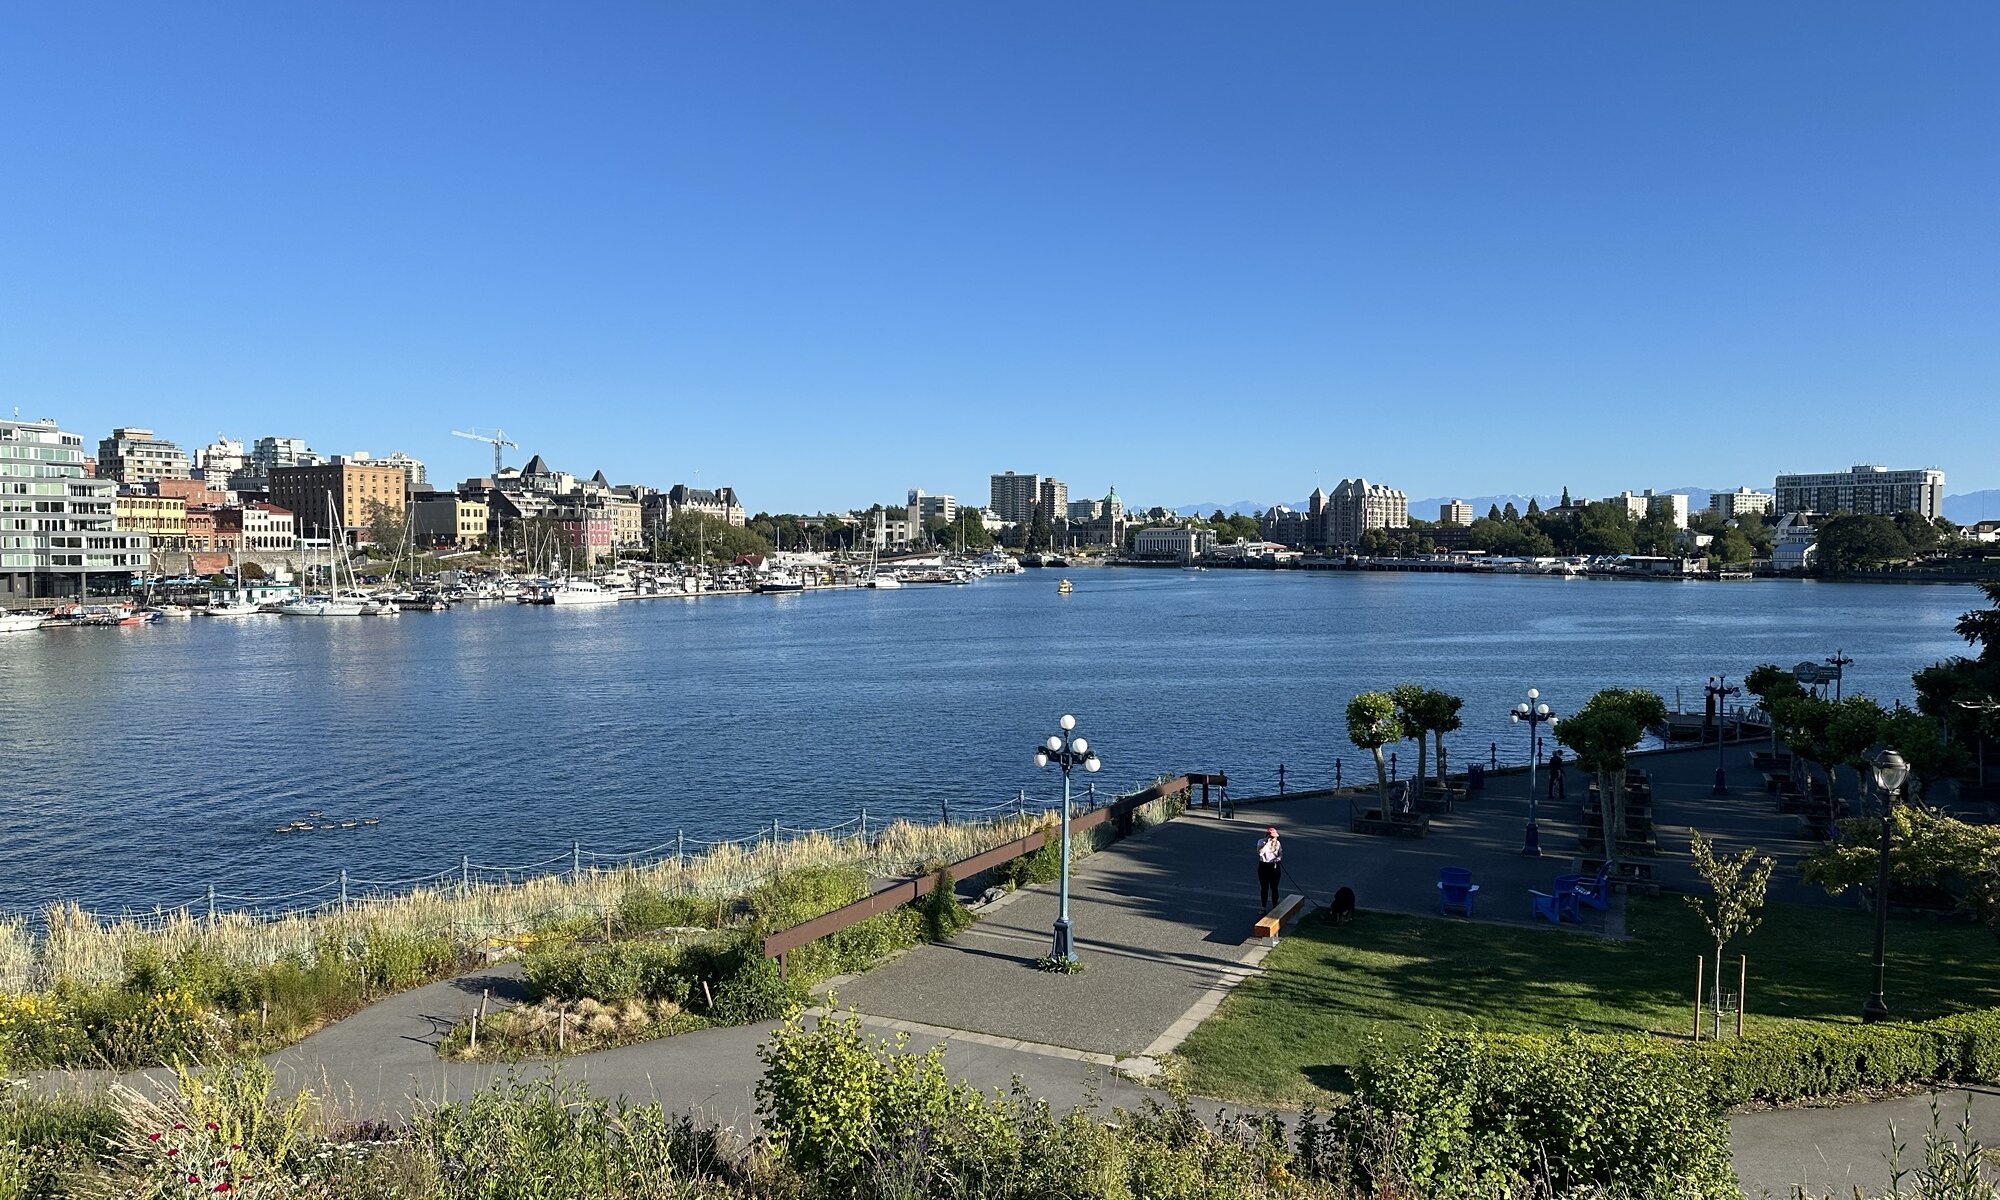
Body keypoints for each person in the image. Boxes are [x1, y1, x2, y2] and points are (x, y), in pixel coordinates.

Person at [1256, 826, 1283, 909]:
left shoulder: (1277, 843)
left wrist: (1279, 858)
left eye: (1274, 837)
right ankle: (1263, 907)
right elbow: (1260, 853)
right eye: (1271, 836)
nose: (1273, 838)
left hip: (1274, 866)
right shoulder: (1261, 842)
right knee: (1264, 888)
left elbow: (1281, 854)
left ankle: (1275, 906)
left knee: (1274, 888)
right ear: (1267, 835)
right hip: (1264, 866)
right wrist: (1267, 844)